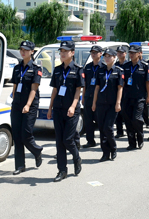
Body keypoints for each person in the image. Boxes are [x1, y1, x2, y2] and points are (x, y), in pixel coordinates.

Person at [47, 40, 84, 182]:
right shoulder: (57, 70)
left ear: (72, 53)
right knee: (59, 141)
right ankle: (62, 170)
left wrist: (73, 106)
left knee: (67, 139)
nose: (62, 54)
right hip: (58, 109)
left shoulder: (78, 70)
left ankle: (76, 157)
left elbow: (78, 91)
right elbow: (55, 90)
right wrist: (50, 108)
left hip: (71, 110)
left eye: (65, 51)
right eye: (61, 51)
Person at [9, 41, 43, 175]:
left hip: (30, 105)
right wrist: (13, 99)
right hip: (17, 104)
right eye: (21, 49)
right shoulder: (17, 68)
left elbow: (34, 89)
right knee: (17, 136)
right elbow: (15, 85)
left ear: (32, 51)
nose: (23, 52)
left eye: (26, 50)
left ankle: (36, 150)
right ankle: (20, 165)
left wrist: (28, 105)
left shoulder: (36, 68)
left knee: (26, 134)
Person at [91, 48, 124, 161]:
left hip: (112, 104)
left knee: (108, 128)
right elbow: (97, 88)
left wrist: (118, 103)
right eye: (105, 56)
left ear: (114, 57)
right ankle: (105, 152)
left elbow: (120, 88)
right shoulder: (100, 70)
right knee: (101, 129)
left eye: (109, 56)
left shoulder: (118, 71)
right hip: (101, 103)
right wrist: (94, 103)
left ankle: (113, 148)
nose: (107, 58)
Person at [122, 45, 149, 150]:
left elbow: (148, 82)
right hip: (127, 97)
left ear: (139, 53)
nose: (131, 54)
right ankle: (132, 143)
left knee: (136, 118)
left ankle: (140, 136)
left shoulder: (145, 66)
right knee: (128, 120)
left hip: (140, 97)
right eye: (130, 52)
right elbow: (123, 83)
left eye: (134, 52)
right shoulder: (126, 66)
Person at [81, 45, 104, 148]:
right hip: (88, 96)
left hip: (100, 98)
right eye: (92, 52)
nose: (93, 54)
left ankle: (104, 141)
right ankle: (90, 141)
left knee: (100, 120)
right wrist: (83, 96)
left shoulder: (103, 67)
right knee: (88, 120)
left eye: (95, 52)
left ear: (100, 53)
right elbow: (85, 82)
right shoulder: (88, 67)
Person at [114, 45, 127, 138]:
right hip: (117, 92)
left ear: (125, 54)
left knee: (126, 112)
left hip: (126, 92)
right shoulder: (115, 65)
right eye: (118, 52)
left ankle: (129, 129)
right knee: (117, 113)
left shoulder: (128, 65)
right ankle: (119, 131)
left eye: (121, 52)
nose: (119, 54)